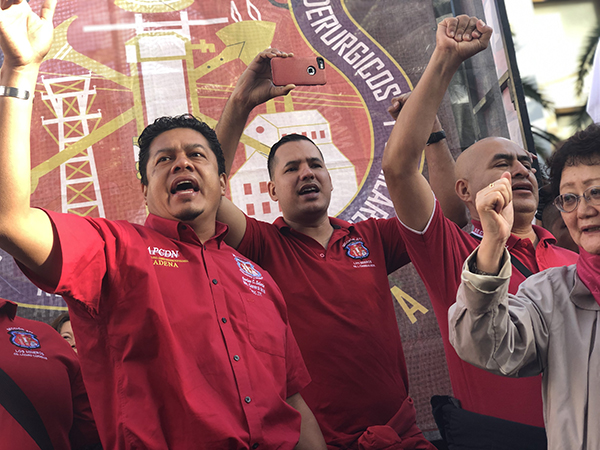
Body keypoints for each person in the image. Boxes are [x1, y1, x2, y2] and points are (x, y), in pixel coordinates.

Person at [0, 1, 326, 449]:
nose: (182, 164)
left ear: (222, 181)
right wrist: (19, 72)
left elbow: (293, 401)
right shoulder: (113, 251)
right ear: (144, 188)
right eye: (164, 160)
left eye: (196, 155)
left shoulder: (260, 281)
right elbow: (10, 220)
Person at [213, 48, 468, 448]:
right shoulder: (264, 246)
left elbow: (449, 217)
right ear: (272, 191)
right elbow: (208, 199)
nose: (307, 173)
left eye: (315, 165)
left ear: (331, 181)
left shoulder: (371, 238)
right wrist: (240, 103)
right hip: (320, 442)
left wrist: (432, 135)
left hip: (402, 434)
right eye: (291, 168)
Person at [381, 14, 578, 434]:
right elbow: (399, 169)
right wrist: (446, 59)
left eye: (527, 163)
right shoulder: (456, 255)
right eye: (502, 163)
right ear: (465, 192)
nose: (520, 170)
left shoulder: (574, 257)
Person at [449, 122, 600, 450]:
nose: (584, 210)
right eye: (569, 197)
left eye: (596, 192)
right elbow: (486, 344)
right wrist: (493, 243)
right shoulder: (548, 294)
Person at [0, 298, 99, 449]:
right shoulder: (47, 335)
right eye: (67, 337)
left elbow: (88, 431)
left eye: (81, 338)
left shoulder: (47, 337)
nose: (75, 344)